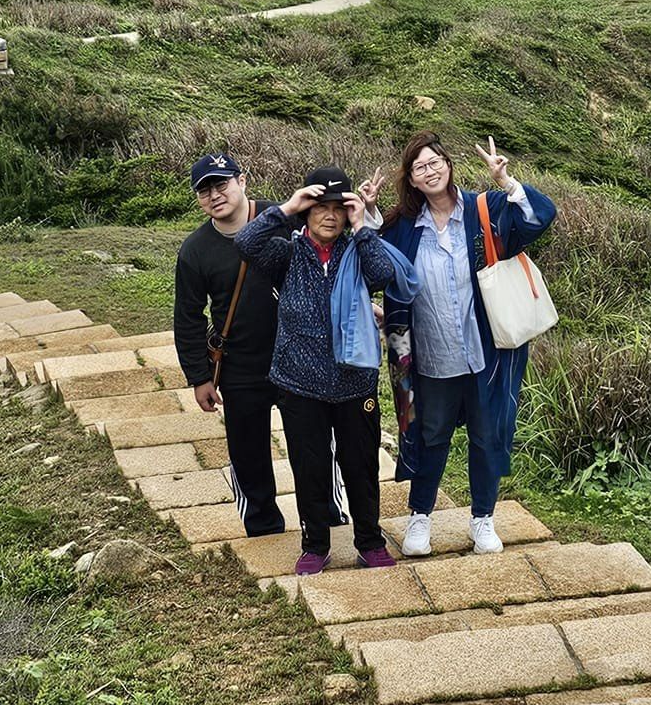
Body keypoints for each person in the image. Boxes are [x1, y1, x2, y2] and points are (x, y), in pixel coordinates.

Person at [371, 132, 556, 557]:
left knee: (487, 434)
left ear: (449, 165)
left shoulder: (484, 208)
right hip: (428, 355)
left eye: (436, 161)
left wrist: (507, 183)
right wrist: (367, 214)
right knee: (428, 433)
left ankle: (482, 520)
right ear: (412, 180)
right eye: (420, 166)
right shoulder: (401, 225)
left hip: (486, 351)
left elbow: (539, 217)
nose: (430, 170)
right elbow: (374, 263)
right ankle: (420, 517)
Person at [237, 165, 418, 574]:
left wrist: (362, 226)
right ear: (307, 211)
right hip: (299, 382)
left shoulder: (356, 251)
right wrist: (286, 208)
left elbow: (383, 274)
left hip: (354, 382)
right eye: (320, 207)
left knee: (361, 466)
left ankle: (369, 541)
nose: (330, 215)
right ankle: (315, 545)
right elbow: (246, 243)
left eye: (339, 207)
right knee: (310, 468)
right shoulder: (287, 253)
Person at [172, 153, 292, 537]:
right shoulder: (195, 250)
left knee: (314, 444)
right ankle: (262, 524)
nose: (214, 195)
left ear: (243, 180)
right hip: (239, 364)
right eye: (204, 190)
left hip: (298, 356)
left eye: (221, 183)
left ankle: (326, 514)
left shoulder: (281, 219)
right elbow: (188, 316)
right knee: (247, 451)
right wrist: (199, 376)